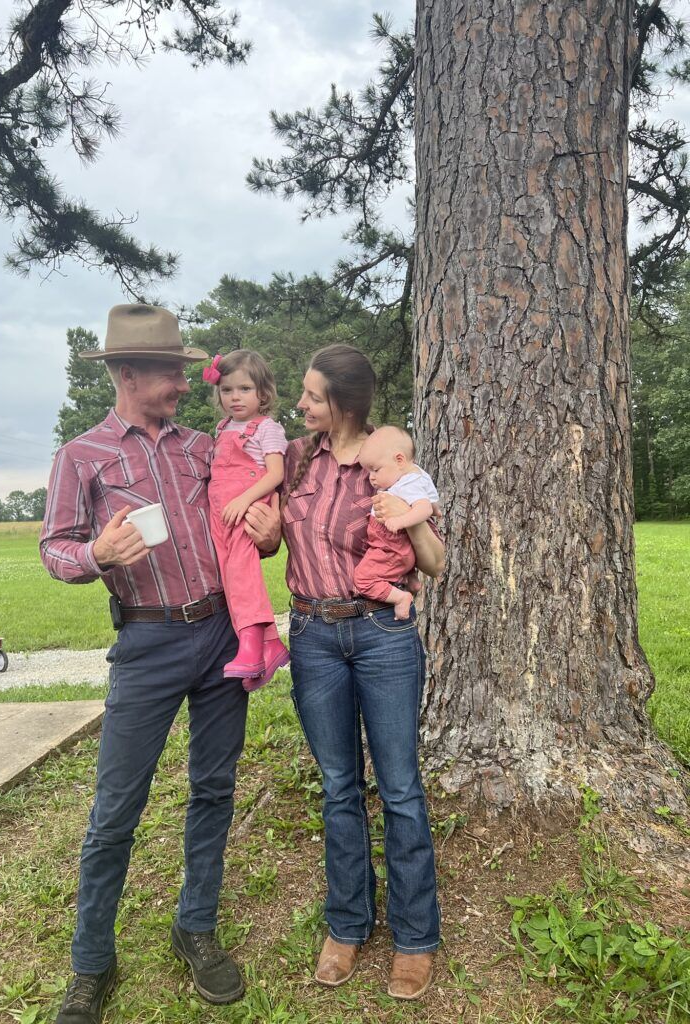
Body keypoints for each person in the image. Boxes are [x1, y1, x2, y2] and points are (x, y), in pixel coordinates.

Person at [40, 303, 260, 1023]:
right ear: (129, 373)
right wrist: (96, 554)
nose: (187, 384)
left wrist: (267, 529)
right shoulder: (82, 456)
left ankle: (195, 926)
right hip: (146, 643)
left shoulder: (204, 448)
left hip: (221, 633)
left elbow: (249, 531)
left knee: (214, 788)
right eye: (172, 372)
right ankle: (91, 964)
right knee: (115, 811)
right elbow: (55, 548)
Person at [244, 344, 445, 1001]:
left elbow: (435, 564)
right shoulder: (296, 459)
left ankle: (415, 937)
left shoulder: (390, 458)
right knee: (338, 786)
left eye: (313, 396)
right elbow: (275, 541)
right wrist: (267, 532)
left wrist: (409, 522)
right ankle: (348, 925)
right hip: (313, 635)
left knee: (401, 787)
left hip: (383, 634)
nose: (300, 404)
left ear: (345, 403)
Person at [202, 349, 290, 688]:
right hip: (221, 509)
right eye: (227, 390)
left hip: (248, 506)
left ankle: (251, 645)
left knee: (242, 573)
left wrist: (245, 499)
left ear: (263, 394)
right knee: (228, 576)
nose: (235, 397)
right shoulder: (222, 428)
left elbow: (275, 474)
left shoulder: (267, 428)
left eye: (245, 389)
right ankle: (269, 645)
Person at [354, 425, 442, 620]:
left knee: (363, 579)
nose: (371, 478)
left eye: (375, 470)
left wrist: (401, 520)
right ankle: (411, 578)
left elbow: (424, 509)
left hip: (390, 542)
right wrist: (436, 509)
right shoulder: (416, 474)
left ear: (399, 460)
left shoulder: (407, 483)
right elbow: (431, 502)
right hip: (399, 546)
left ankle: (400, 598)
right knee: (398, 558)